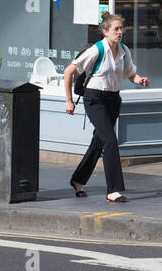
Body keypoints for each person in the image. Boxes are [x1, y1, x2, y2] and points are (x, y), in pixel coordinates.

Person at [64, 14, 150, 203]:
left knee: (99, 142)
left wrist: (140, 80)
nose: (120, 32)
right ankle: (113, 190)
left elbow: (131, 74)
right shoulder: (96, 50)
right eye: (116, 29)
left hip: (113, 100)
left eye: (121, 28)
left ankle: (78, 180)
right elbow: (69, 71)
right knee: (110, 140)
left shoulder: (124, 50)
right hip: (95, 99)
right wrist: (69, 101)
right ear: (105, 31)